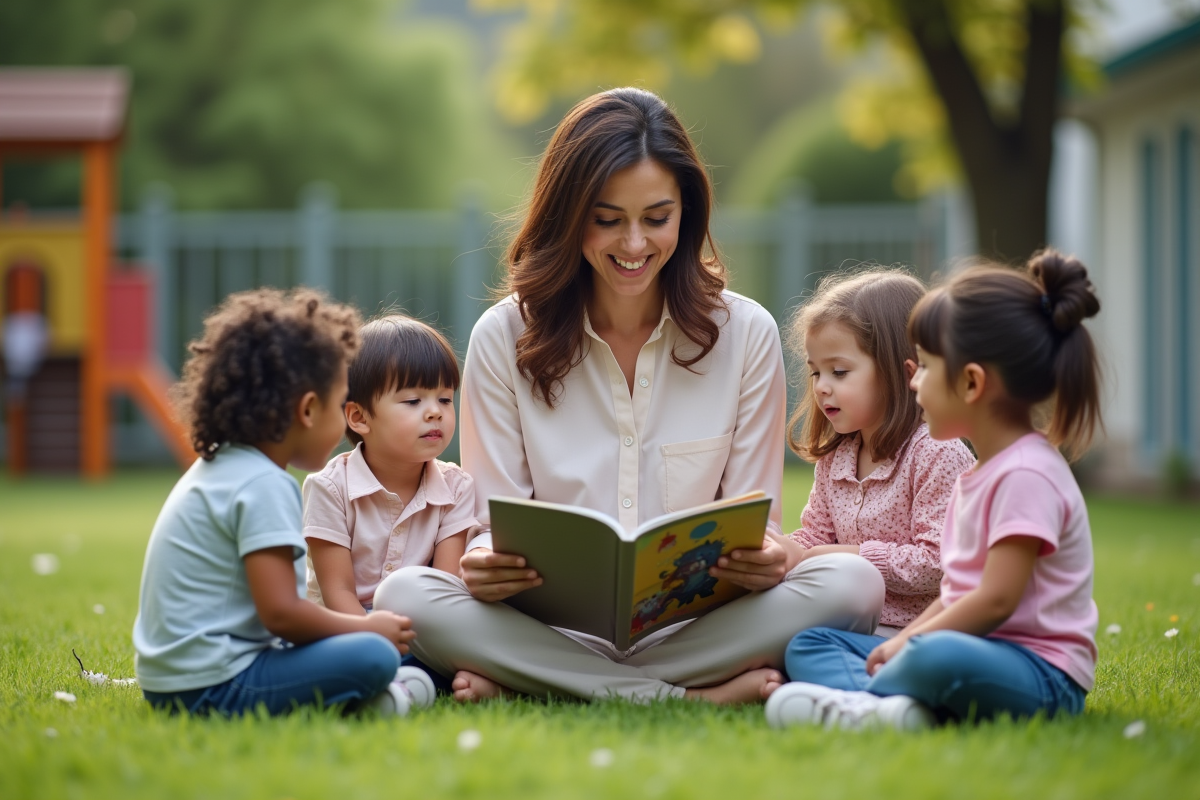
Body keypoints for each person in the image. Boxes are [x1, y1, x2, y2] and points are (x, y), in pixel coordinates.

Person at [373, 87, 884, 705]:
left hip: (699, 628)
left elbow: (758, 521)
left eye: (657, 218)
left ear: (686, 214)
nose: (635, 245)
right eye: (608, 219)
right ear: (568, 215)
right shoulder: (503, 337)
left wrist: (770, 557)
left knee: (853, 583)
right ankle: (682, 697)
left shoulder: (744, 334)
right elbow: (491, 523)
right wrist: (482, 561)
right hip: (545, 627)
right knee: (405, 595)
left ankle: (542, 685)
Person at [765, 249, 1102, 730]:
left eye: (924, 367)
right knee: (809, 644)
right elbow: (958, 592)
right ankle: (894, 709)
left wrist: (909, 641)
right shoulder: (980, 475)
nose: (914, 381)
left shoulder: (1026, 473)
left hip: (1037, 671)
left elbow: (996, 601)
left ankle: (868, 701)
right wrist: (901, 643)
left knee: (935, 657)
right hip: (963, 647)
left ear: (970, 383)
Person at [133, 289, 435, 717]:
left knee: (365, 650)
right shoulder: (263, 484)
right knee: (375, 654)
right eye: (338, 405)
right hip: (216, 686)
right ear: (308, 410)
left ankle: (372, 692)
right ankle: (386, 691)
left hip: (174, 683)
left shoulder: (222, 467)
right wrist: (366, 627)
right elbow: (283, 615)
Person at [776, 269, 974, 669]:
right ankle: (863, 691)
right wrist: (780, 551)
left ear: (903, 373)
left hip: (921, 633)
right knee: (799, 648)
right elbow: (815, 536)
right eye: (816, 372)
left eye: (839, 372)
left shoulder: (938, 453)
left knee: (802, 651)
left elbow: (937, 563)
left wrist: (837, 554)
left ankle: (875, 696)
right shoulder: (838, 459)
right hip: (851, 626)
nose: (821, 387)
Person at [304, 314, 476, 693]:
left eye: (445, 399)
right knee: (330, 660)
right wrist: (376, 636)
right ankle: (406, 681)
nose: (435, 411)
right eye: (413, 400)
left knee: (466, 650)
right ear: (359, 417)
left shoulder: (457, 487)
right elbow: (337, 595)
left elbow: (447, 592)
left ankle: (415, 681)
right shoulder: (329, 488)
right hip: (345, 628)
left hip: (420, 630)